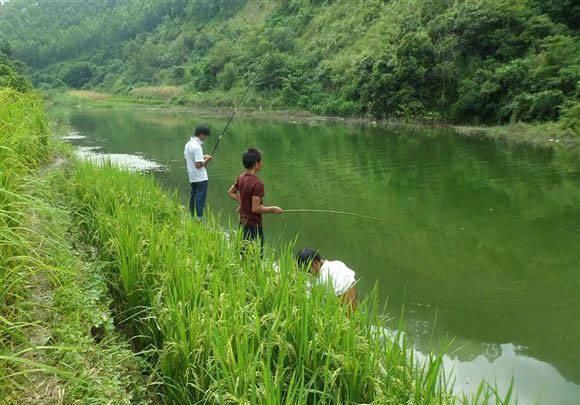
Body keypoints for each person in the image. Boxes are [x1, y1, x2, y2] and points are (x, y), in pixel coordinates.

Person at [227, 148, 283, 254]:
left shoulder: (241, 177)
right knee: (256, 255)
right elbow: (256, 208)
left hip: (243, 223)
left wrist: (243, 202)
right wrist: (273, 209)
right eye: (260, 161)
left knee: (244, 252)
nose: (262, 163)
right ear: (256, 164)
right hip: (254, 226)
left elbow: (231, 192)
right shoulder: (258, 184)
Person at [184, 125, 212, 221]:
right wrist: (207, 159)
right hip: (201, 178)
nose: (205, 138)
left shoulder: (188, 144)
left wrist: (203, 157)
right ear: (201, 134)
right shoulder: (197, 147)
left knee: (193, 197)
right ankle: (200, 218)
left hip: (192, 176)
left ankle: (191, 216)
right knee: (200, 198)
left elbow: (187, 159)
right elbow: (198, 165)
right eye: (205, 136)